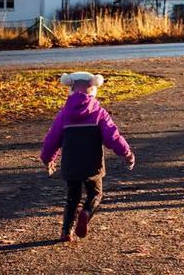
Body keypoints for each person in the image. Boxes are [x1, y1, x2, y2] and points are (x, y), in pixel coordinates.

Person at [40, 72, 135, 241]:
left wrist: (48, 159)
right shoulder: (99, 113)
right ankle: (86, 212)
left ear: (70, 89)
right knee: (95, 194)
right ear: (93, 89)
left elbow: (52, 139)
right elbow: (112, 137)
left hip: (71, 164)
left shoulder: (64, 115)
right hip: (93, 164)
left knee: (72, 197)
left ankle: (66, 232)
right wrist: (126, 153)